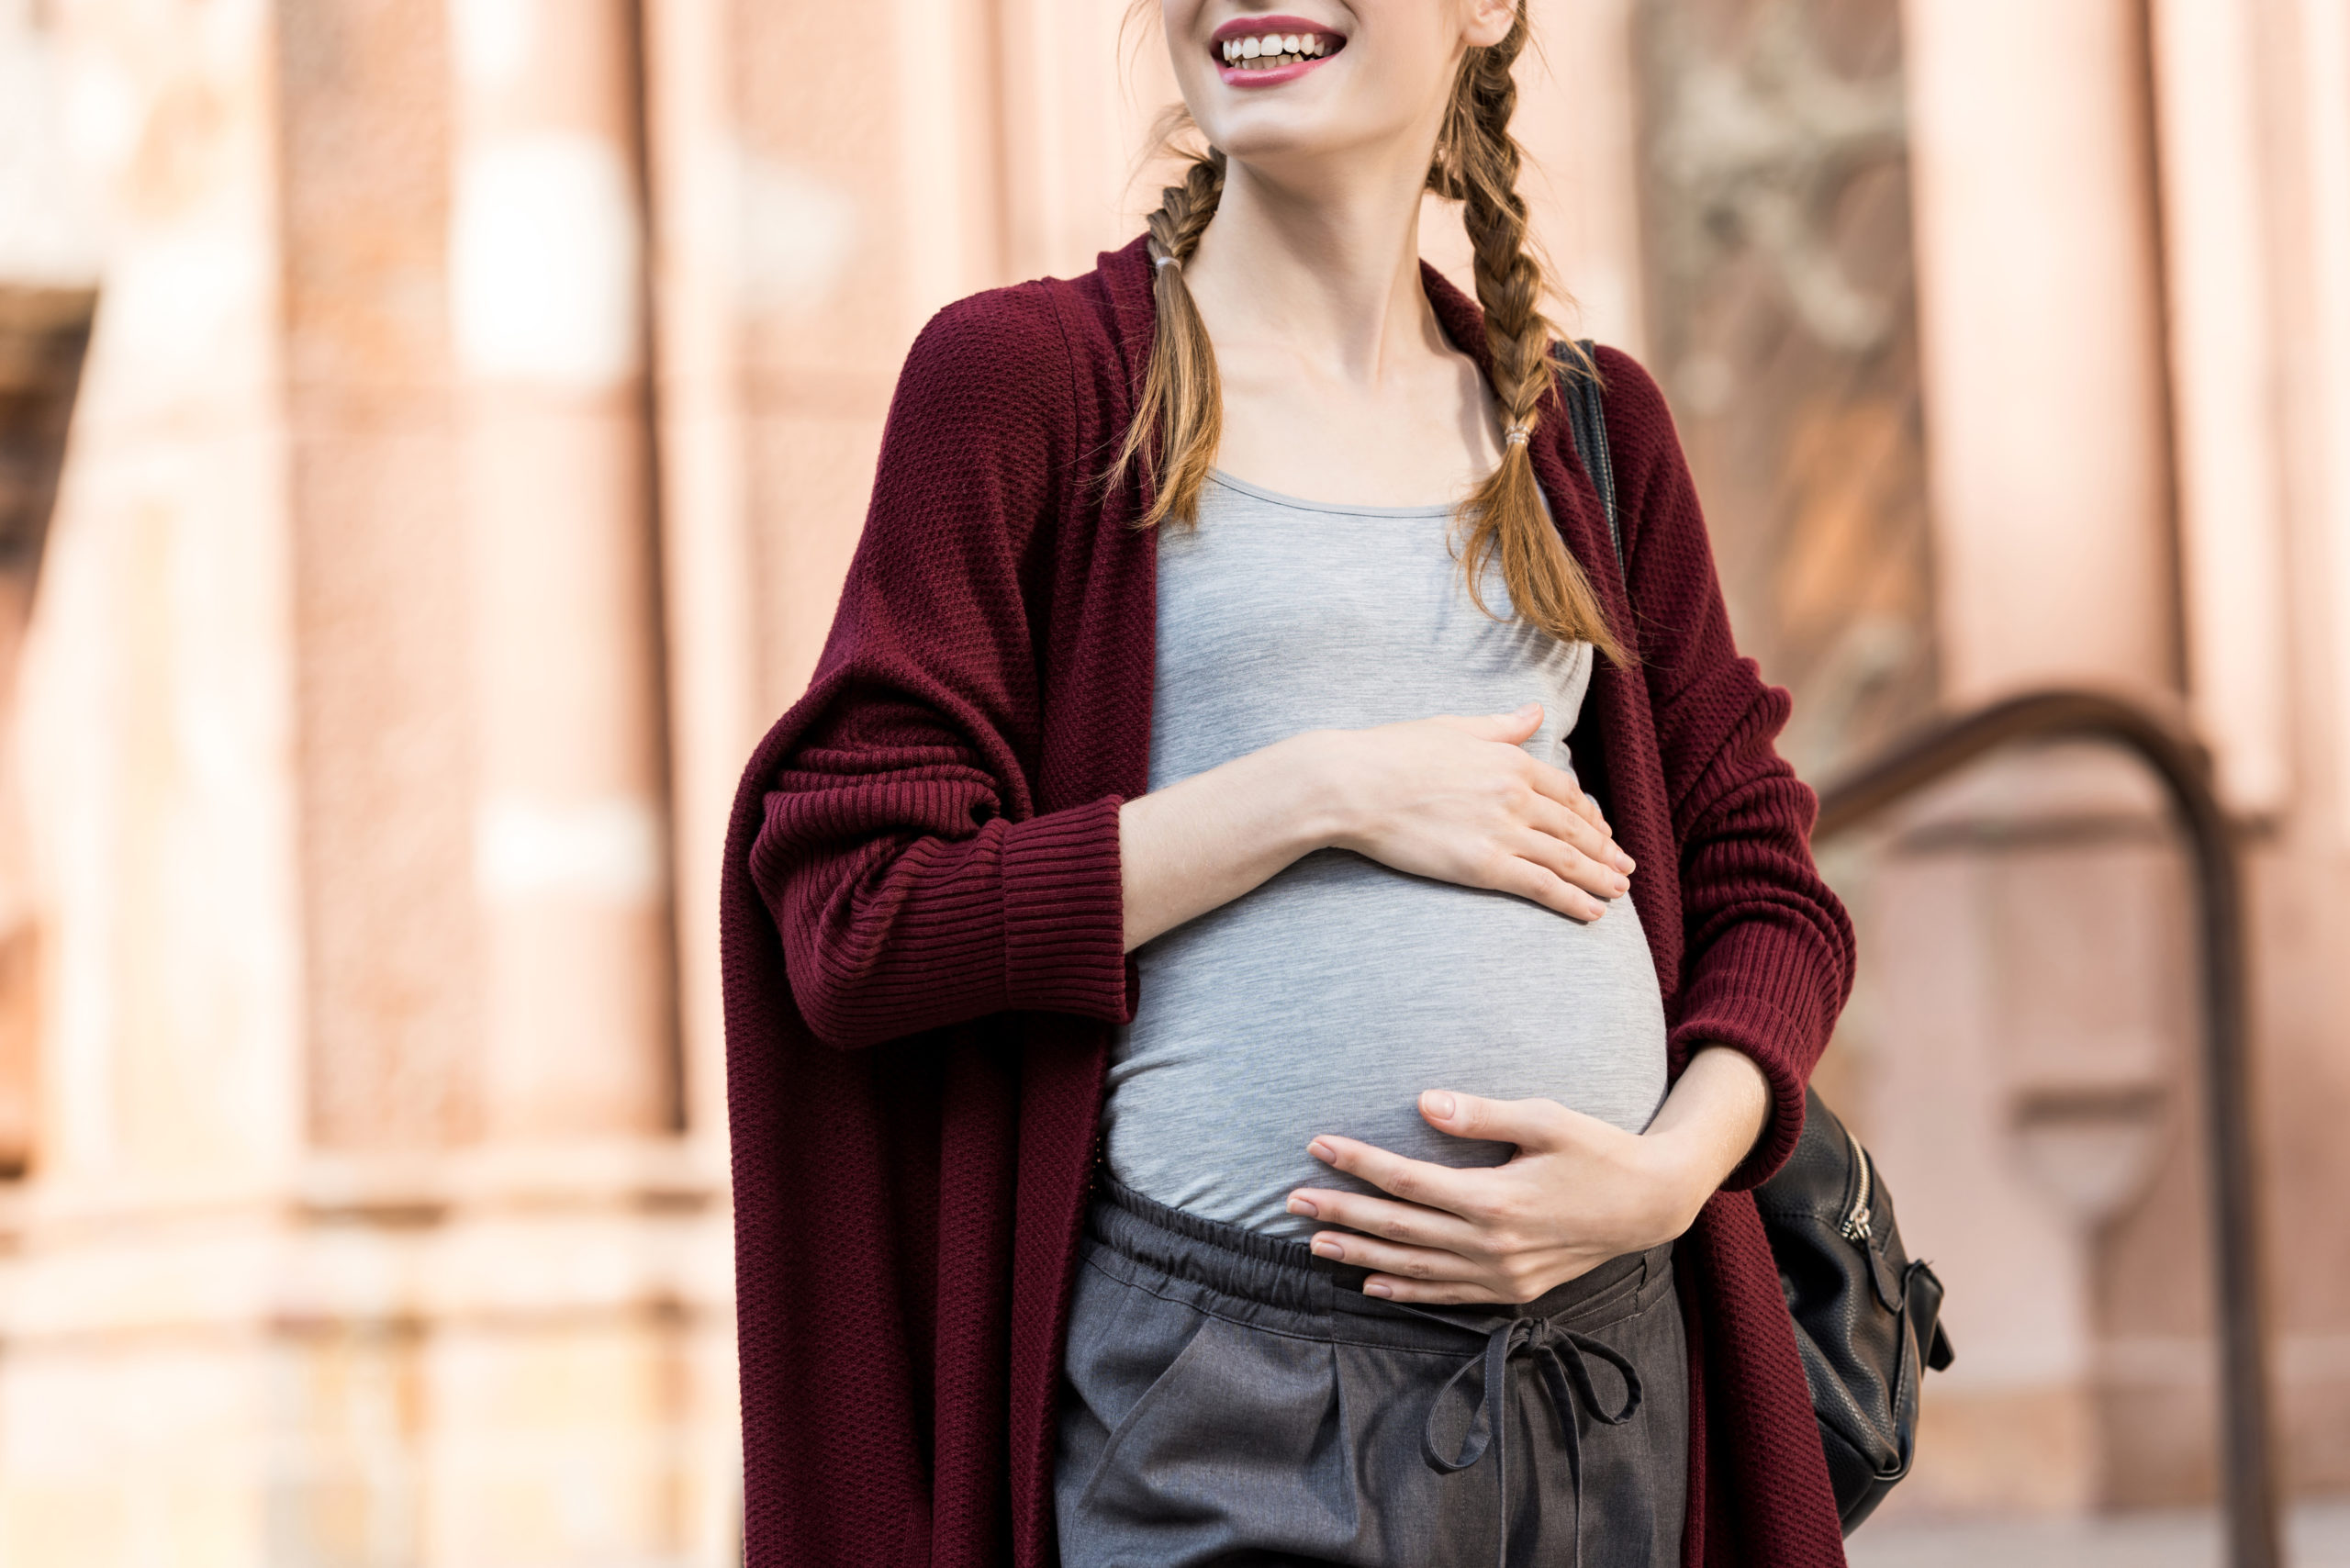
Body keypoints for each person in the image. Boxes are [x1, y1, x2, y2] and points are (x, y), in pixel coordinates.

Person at [721, 2, 1858, 1565]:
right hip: (1225, 1394)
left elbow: (1764, 887)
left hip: (1608, 1377)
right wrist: (1316, 791)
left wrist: (1665, 1179)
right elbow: (860, 916)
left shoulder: (1590, 429)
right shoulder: (1028, 384)